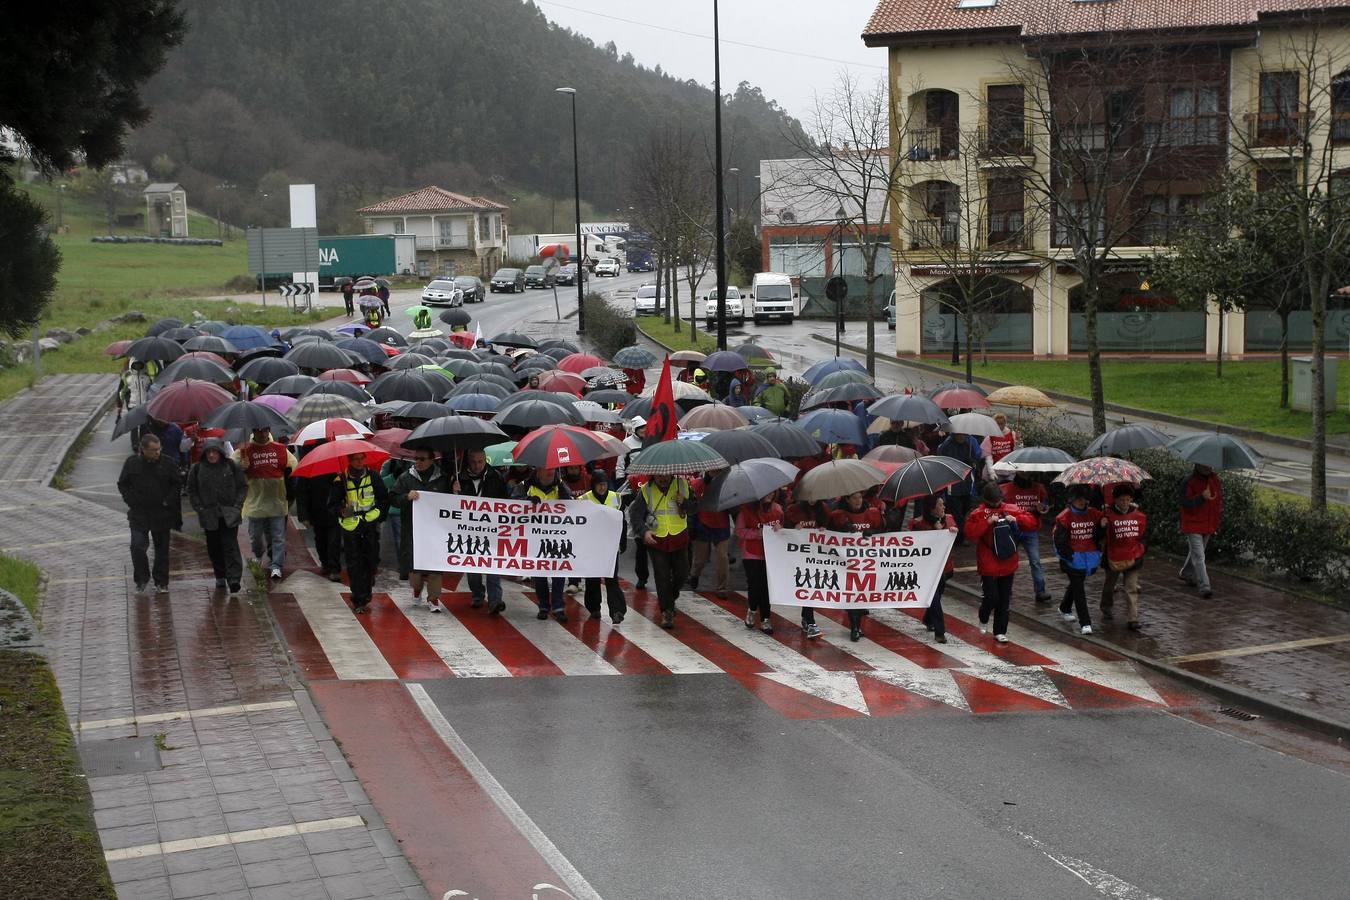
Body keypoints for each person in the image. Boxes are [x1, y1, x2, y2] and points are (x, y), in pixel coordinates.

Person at [963, 482, 1036, 642]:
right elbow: (970, 533)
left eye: (998, 501)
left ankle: (1000, 631)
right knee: (991, 596)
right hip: (988, 562)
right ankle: (984, 615)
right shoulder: (978, 513)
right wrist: (987, 522)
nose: (997, 504)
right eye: (994, 501)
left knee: (1004, 598)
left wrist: (1015, 519)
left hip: (1007, 561)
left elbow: (1031, 522)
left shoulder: (1010, 509)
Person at [629, 472, 697, 629]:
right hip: (656, 540)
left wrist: (685, 502)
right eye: (659, 476)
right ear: (653, 475)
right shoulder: (646, 490)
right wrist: (644, 531)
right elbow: (635, 514)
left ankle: (670, 597)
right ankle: (666, 611)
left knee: (682, 573)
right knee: (662, 576)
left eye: (665, 476)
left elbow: (695, 507)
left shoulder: (683, 484)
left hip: (679, 538)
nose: (663, 479)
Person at [117, 434, 182, 595]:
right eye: (153, 450)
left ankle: (161, 581)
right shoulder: (132, 463)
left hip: (161, 513)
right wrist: (131, 500)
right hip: (139, 513)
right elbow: (123, 484)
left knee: (162, 549)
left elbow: (177, 484)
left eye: (159, 449)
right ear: (143, 449)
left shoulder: (168, 463)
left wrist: (168, 501)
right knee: (137, 546)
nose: (157, 453)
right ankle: (141, 578)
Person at [391, 449, 451, 612]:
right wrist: (405, 497)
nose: (418, 462)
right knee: (414, 569)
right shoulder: (405, 478)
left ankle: (433, 598)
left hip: (435, 531)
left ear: (432, 460)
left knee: (435, 565)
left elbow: (452, 502)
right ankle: (417, 588)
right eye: (416, 458)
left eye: (422, 459)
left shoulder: (443, 479)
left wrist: (457, 490)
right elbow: (393, 499)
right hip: (412, 530)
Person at [329, 452, 389, 614]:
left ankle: (367, 586)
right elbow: (331, 505)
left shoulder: (374, 477)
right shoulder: (340, 480)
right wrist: (341, 511)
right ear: (349, 460)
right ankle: (358, 599)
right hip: (351, 527)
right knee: (354, 563)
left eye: (362, 458)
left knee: (371, 560)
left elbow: (384, 500)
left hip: (370, 524)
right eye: (356, 459)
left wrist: (378, 516)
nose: (360, 462)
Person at [235, 427, 297, 580]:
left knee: (278, 536)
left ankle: (276, 565)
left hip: (277, 501)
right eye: (259, 431)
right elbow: (229, 468)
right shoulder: (244, 451)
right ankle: (257, 554)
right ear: (253, 432)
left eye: (265, 430)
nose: (262, 434)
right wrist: (240, 467)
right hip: (255, 503)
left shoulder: (280, 449)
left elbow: (295, 466)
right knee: (255, 536)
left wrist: (291, 490)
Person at [187, 437, 247, 594]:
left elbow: (242, 486)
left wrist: (237, 506)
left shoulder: (231, 466)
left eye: (214, 452)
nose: (212, 455)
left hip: (229, 514)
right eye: (209, 452)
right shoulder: (197, 469)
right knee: (214, 547)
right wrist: (199, 508)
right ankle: (220, 574)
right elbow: (192, 490)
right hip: (209, 515)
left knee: (230, 546)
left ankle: (234, 579)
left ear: (220, 452)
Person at [453, 450, 509, 614]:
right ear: (468, 462)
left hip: (492, 529)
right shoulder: (459, 477)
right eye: (474, 462)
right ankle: (477, 594)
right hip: (469, 530)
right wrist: (454, 491)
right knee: (473, 569)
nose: (477, 465)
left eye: (480, 462)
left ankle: (495, 600)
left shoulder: (495, 476)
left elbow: (504, 501)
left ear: (486, 460)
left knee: (493, 567)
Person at [515, 467, 573, 621]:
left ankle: (558, 606)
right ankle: (543, 606)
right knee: (539, 574)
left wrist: (562, 488)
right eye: (546, 469)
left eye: (553, 469)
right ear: (538, 471)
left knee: (558, 573)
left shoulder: (561, 486)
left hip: (556, 538)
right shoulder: (526, 486)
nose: (550, 472)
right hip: (534, 538)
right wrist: (526, 502)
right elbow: (511, 503)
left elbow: (572, 505)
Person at [829, 490, 883, 641]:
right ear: (847, 499)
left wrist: (870, 532)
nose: (858, 501)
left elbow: (883, 532)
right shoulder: (838, 515)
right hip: (847, 563)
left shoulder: (872, 513)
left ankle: (857, 625)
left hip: (867, 563)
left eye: (860, 497)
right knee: (853, 593)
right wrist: (844, 530)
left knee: (861, 593)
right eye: (854, 498)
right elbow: (828, 536)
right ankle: (855, 628)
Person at [1053, 487, 1104, 635]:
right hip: (1073, 559)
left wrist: (1102, 525)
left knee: (1077, 584)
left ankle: (1064, 608)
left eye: (1084, 498)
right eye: (1079, 498)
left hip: (1089, 557)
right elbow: (1060, 541)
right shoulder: (1064, 517)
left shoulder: (1094, 514)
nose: (1082, 501)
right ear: (1072, 499)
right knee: (1079, 589)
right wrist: (1070, 556)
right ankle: (1085, 623)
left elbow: (1098, 535)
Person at [908, 495, 958, 644]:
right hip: (927, 569)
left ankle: (928, 618)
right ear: (932, 508)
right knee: (935, 597)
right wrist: (935, 533)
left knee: (937, 595)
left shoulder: (949, 520)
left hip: (944, 568)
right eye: (940, 505)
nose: (943, 508)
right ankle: (939, 630)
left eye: (943, 505)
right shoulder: (919, 525)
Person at [580, 470, 626, 623]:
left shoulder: (616, 498)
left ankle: (617, 611)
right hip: (592, 546)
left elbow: (622, 521)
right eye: (599, 485)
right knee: (592, 579)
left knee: (612, 579)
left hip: (611, 546)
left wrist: (623, 540)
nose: (602, 488)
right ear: (593, 485)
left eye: (604, 484)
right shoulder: (584, 499)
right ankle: (594, 608)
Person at [1100, 483, 1147, 630]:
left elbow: (1144, 535)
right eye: (1121, 500)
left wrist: (1143, 548)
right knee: (1109, 585)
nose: (1125, 503)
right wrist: (1102, 526)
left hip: (1134, 556)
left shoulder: (1139, 515)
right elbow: (1100, 537)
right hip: (1113, 557)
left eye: (1128, 500)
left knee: (1131, 587)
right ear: (1115, 500)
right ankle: (1106, 606)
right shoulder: (1107, 515)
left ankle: (1133, 619)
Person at [1001, 472, 1052, 602]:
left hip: (1031, 529)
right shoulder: (1006, 488)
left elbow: (1045, 505)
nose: (1025, 473)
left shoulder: (1039, 488)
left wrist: (1042, 509)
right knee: (1008, 560)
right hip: (1013, 528)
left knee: (1035, 561)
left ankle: (1040, 591)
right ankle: (1006, 588)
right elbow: (1001, 507)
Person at [295, 454, 343, 583]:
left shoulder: (339, 468)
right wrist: (304, 515)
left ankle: (334, 568)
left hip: (335, 512)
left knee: (334, 541)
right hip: (317, 511)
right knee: (321, 540)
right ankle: (325, 563)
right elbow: (302, 493)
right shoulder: (310, 470)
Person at [1178, 463, 1222, 599]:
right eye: (1203, 465)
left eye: (1209, 464)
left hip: (1208, 524)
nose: (1207, 467)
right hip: (1193, 524)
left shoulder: (1215, 480)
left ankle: (1186, 573)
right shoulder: (1188, 481)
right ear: (1197, 464)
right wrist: (1201, 497)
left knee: (1197, 552)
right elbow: (1185, 502)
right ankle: (1205, 586)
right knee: (1199, 556)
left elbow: (1217, 501)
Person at [935, 431, 985, 540]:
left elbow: (978, 457)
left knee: (966, 509)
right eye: (960, 434)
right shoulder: (947, 444)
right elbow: (941, 457)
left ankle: (963, 532)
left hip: (967, 483)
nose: (963, 437)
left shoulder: (970, 443)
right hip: (953, 484)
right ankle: (960, 536)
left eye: (965, 434)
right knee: (956, 511)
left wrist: (973, 461)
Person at [689, 482, 731, 599]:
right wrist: (691, 525)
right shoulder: (698, 485)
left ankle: (722, 588)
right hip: (703, 525)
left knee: (723, 557)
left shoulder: (727, 486)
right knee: (701, 560)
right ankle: (694, 574)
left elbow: (733, 506)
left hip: (722, 527)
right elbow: (693, 506)